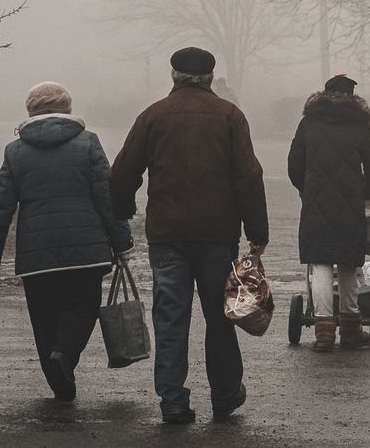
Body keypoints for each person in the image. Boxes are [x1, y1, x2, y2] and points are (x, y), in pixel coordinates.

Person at [110, 47, 269, 424]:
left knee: (171, 317)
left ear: (173, 76)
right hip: (217, 234)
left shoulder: (153, 116)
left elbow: (121, 174)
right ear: (211, 78)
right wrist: (256, 232)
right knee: (221, 316)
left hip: (167, 235)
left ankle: (173, 401)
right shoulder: (231, 116)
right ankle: (226, 395)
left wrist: (123, 211)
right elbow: (248, 176)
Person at [0, 81, 133, 402]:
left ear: (30, 111)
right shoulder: (88, 143)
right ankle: (65, 355)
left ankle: (60, 382)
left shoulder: (16, 150)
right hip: (85, 251)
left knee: (44, 317)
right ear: (67, 109)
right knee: (82, 308)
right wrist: (122, 243)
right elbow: (107, 196)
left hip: (37, 256)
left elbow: (1, 205)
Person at [287, 74, 370, 352]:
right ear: (352, 98)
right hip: (349, 203)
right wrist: (367, 191)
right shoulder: (359, 125)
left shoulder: (309, 123)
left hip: (316, 203)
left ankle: (324, 332)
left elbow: (294, 163)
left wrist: (305, 188)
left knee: (319, 262)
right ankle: (351, 327)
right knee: (347, 262)